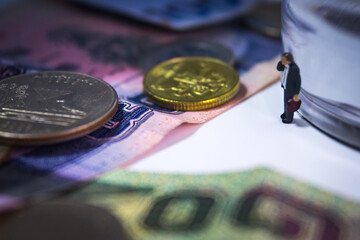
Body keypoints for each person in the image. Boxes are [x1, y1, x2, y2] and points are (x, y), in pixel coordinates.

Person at [277, 52, 301, 123]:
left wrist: (296, 94)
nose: (283, 61)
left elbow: (298, 82)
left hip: (291, 90)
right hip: (285, 87)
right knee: (285, 102)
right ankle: (286, 113)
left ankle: (289, 119)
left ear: (289, 60)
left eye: (284, 60)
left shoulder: (294, 69)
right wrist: (281, 62)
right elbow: (278, 68)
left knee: (290, 104)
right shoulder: (284, 66)